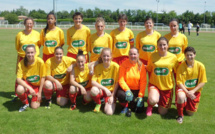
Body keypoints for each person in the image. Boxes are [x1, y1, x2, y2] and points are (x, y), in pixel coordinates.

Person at [146, 37, 178, 116]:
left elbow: (177, 72)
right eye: (160, 45)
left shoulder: (173, 57)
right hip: (155, 84)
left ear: (168, 46)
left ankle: (159, 100)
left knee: (162, 112)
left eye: (164, 45)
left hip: (167, 87)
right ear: (157, 46)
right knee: (153, 100)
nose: (162, 47)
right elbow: (149, 69)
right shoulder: (153, 56)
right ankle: (150, 106)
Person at [176, 46, 207, 124]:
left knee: (190, 113)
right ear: (184, 56)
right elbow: (179, 82)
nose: (189, 57)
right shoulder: (181, 67)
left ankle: (185, 102)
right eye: (187, 55)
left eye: (191, 55)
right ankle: (180, 115)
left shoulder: (200, 66)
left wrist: (192, 91)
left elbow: (203, 82)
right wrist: (187, 92)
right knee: (181, 96)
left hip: (194, 91)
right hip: (184, 90)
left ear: (195, 54)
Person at [13, 17, 41, 101]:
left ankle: (34, 91)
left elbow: (38, 45)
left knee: (34, 75)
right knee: (20, 76)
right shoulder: (19, 34)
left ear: (33, 24)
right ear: (24, 24)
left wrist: (32, 55)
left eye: (31, 23)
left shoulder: (37, 34)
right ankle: (17, 94)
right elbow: (18, 47)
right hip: (22, 57)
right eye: (27, 23)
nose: (29, 25)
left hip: (34, 58)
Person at [117, 47, 147, 117]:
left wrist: (140, 96)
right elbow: (121, 80)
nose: (133, 56)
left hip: (136, 90)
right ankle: (125, 106)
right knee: (121, 95)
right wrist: (127, 90)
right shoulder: (124, 64)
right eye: (131, 54)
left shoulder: (141, 66)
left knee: (139, 110)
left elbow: (143, 82)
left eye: (134, 54)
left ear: (138, 55)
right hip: (126, 89)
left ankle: (131, 105)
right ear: (128, 55)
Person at [16, 45, 45, 112]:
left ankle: (38, 96)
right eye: (28, 52)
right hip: (28, 85)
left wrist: (40, 92)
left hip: (37, 85)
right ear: (25, 53)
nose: (30, 54)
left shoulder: (40, 62)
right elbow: (18, 79)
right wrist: (29, 88)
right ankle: (26, 103)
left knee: (35, 106)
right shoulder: (21, 63)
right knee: (19, 89)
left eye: (32, 52)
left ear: (35, 52)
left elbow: (43, 77)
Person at [90, 48, 119, 115]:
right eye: (104, 56)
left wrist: (112, 96)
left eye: (108, 56)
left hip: (110, 92)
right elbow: (93, 82)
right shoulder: (98, 67)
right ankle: (99, 103)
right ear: (101, 56)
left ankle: (107, 101)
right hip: (102, 91)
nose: (106, 58)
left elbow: (117, 83)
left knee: (109, 113)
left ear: (111, 56)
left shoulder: (116, 66)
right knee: (93, 90)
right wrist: (104, 88)